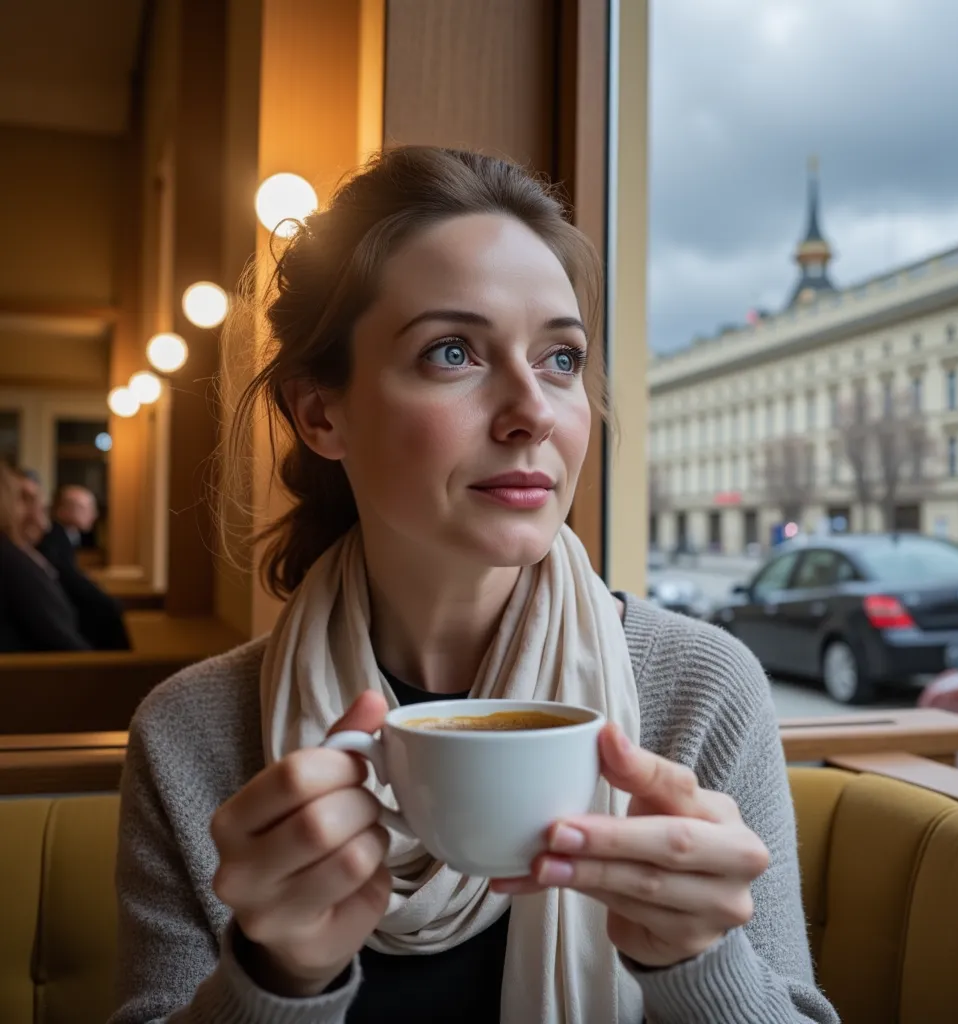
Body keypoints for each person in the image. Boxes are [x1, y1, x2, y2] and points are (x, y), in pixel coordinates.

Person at [111, 147, 839, 1024]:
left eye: (561, 359)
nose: (533, 410)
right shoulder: (192, 736)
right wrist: (274, 982)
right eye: (453, 351)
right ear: (320, 413)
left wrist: (700, 964)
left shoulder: (698, 689)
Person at [0, 464, 90, 652]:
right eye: (22, 499)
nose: (37, 510)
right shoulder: (13, 560)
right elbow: (64, 642)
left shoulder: (33, 553)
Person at [38, 484, 131, 650]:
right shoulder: (53, 538)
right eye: (84, 508)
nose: (93, 514)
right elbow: (69, 578)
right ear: (62, 510)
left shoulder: (68, 536)